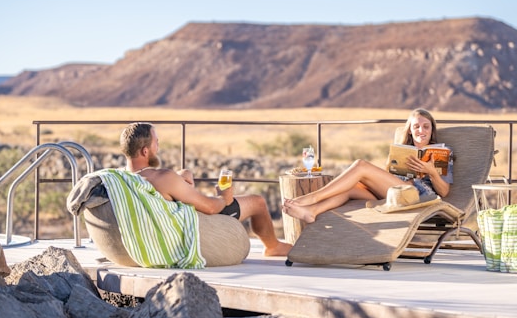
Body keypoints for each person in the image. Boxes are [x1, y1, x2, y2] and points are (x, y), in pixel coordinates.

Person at [119, 122, 292, 257]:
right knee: (257, 202)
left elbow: (162, 189)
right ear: (145, 151)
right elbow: (210, 207)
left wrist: (181, 176)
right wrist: (223, 197)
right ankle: (273, 247)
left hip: (155, 232)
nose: (158, 147)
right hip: (198, 228)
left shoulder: (121, 178)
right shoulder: (164, 177)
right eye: (156, 143)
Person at [282, 108, 452, 223]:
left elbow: (444, 192)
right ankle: (312, 211)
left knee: (361, 165)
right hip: (390, 193)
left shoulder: (441, 153)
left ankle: (313, 197)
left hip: (417, 197)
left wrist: (431, 172)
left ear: (431, 130)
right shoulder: (403, 150)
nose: (421, 131)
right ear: (410, 130)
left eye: (425, 127)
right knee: (349, 188)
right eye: (416, 126)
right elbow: (387, 177)